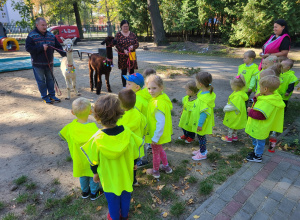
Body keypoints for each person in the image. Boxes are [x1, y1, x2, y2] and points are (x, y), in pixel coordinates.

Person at [81, 94, 143, 220]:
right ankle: (124, 216)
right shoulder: (127, 132)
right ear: (120, 113)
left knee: (112, 201)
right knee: (126, 197)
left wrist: (95, 174)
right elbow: (135, 150)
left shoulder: (97, 139)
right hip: (126, 175)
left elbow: (93, 161)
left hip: (109, 179)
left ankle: (114, 217)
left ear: (97, 117)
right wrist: (135, 163)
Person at [59, 97, 102, 200]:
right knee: (93, 174)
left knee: (82, 175)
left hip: (77, 158)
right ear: (90, 112)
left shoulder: (69, 127)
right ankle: (94, 193)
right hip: (91, 159)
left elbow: (62, 135)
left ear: (72, 112)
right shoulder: (93, 128)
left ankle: (85, 192)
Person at [25, 17, 66, 104]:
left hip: (49, 63)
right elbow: (28, 48)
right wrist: (40, 47)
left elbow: (58, 47)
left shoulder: (51, 35)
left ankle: (52, 95)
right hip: (38, 64)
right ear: (37, 25)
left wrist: (65, 54)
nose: (45, 27)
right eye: (42, 25)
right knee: (41, 81)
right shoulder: (31, 35)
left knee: (50, 79)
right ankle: (44, 96)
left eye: (46, 25)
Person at [246, 75, 285, 162]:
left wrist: (250, 111)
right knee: (257, 141)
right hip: (260, 126)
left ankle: (257, 156)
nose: (259, 88)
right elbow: (259, 104)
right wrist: (256, 97)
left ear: (265, 89)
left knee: (259, 142)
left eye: (260, 87)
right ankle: (256, 152)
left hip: (260, 127)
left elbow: (261, 115)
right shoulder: (270, 97)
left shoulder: (268, 102)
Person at [117, 89, 147, 184]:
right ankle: (133, 180)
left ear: (120, 104)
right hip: (134, 146)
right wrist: (143, 135)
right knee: (133, 164)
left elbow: (116, 130)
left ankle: (125, 180)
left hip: (124, 146)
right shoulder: (139, 114)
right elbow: (145, 125)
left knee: (124, 164)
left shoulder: (120, 117)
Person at [145, 75, 173, 178]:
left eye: (154, 88)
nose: (151, 91)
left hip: (156, 134)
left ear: (161, 88)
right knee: (159, 149)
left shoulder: (158, 103)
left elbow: (160, 122)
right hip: (158, 133)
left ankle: (155, 171)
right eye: (149, 88)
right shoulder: (162, 98)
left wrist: (155, 137)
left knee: (155, 152)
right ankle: (166, 167)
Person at [190, 72, 216, 161]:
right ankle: (202, 150)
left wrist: (200, 124)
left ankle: (203, 153)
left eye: (196, 81)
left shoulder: (204, 99)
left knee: (201, 138)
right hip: (200, 121)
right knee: (201, 137)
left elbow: (204, 113)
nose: (195, 83)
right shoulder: (204, 93)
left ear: (200, 84)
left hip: (201, 122)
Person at [222, 75, 248, 142]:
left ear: (235, 86)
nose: (231, 87)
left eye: (231, 85)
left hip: (234, 113)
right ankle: (234, 136)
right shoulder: (241, 93)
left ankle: (229, 138)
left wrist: (226, 108)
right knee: (235, 126)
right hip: (238, 113)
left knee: (231, 126)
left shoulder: (237, 96)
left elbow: (233, 105)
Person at [115, 20, 139, 87]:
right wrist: (123, 50)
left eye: (127, 26)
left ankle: (132, 85)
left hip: (132, 54)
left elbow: (137, 44)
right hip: (122, 56)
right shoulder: (118, 35)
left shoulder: (133, 34)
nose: (126, 28)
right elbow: (116, 45)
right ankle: (124, 86)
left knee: (132, 71)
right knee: (124, 71)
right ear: (121, 27)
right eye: (124, 26)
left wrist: (133, 47)